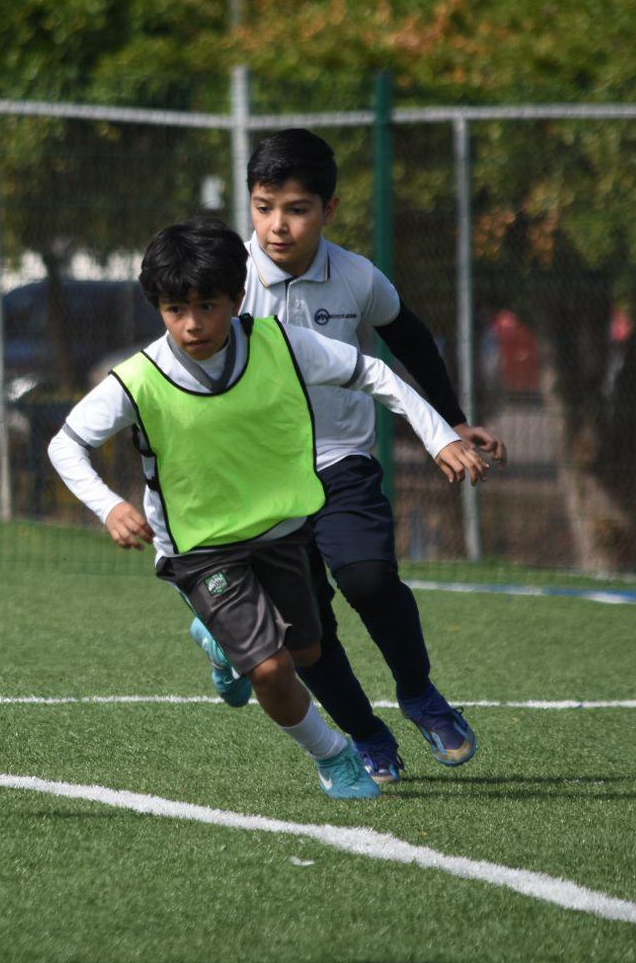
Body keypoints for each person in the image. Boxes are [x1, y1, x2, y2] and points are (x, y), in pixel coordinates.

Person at [47, 218, 488, 800]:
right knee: (274, 670)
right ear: (157, 307)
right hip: (201, 547)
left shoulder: (280, 344)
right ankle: (334, 756)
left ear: (238, 298)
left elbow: (373, 372)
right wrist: (107, 507)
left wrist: (440, 437)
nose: (192, 323)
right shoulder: (140, 379)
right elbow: (65, 444)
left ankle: (219, 638)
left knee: (305, 650)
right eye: (175, 308)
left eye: (207, 305)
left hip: (282, 529)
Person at [189, 128, 508, 785]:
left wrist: (453, 421)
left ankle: (419, 693)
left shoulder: (357, 276)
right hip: (258, 485)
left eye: (297, 208)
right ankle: (365, 733)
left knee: (366, 579)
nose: (278, 225)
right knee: (305, 629)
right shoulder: (228, 281)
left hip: (340, 460)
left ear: (329, 210)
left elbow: (411, 339)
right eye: (263, 206)